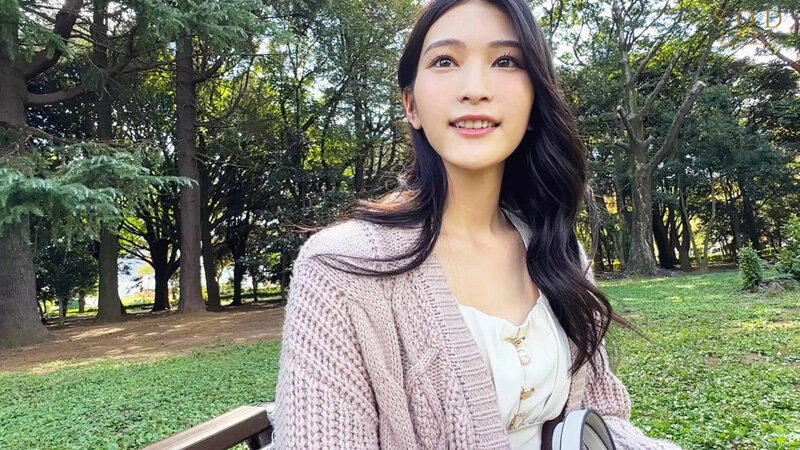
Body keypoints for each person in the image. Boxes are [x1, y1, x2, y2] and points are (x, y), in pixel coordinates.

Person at [273, 0, 682, 448]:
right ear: (411, 105)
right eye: (445, 61)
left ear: (534, 101)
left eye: (505, 61)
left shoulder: (558, 249)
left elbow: (602, 421)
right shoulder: (339, 267)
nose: (475, 89)